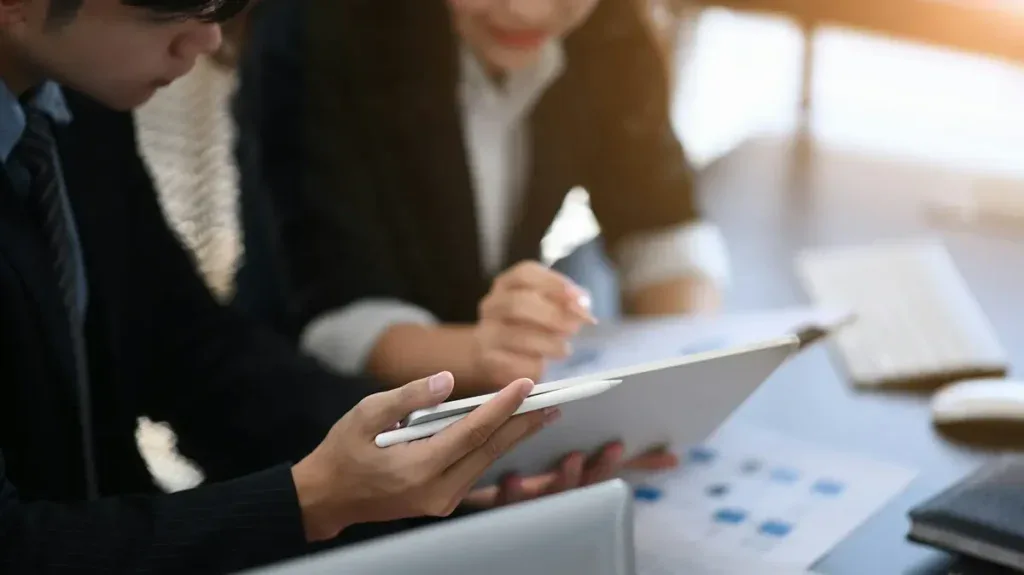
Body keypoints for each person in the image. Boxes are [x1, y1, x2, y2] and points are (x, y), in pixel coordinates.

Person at [0, 0, 639, 571]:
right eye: (173, 7)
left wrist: (451, 457)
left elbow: (187, 348)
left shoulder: (75, 100)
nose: (206, 42)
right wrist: (313, 499)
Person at [233, 0, 732, 395]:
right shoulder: (316, 25)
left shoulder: (608, 25)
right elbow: (339, 316)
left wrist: (685, 361)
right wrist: (483, 355)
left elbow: (659, 221)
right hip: (304, 410)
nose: (528, 10)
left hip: (495, 388)